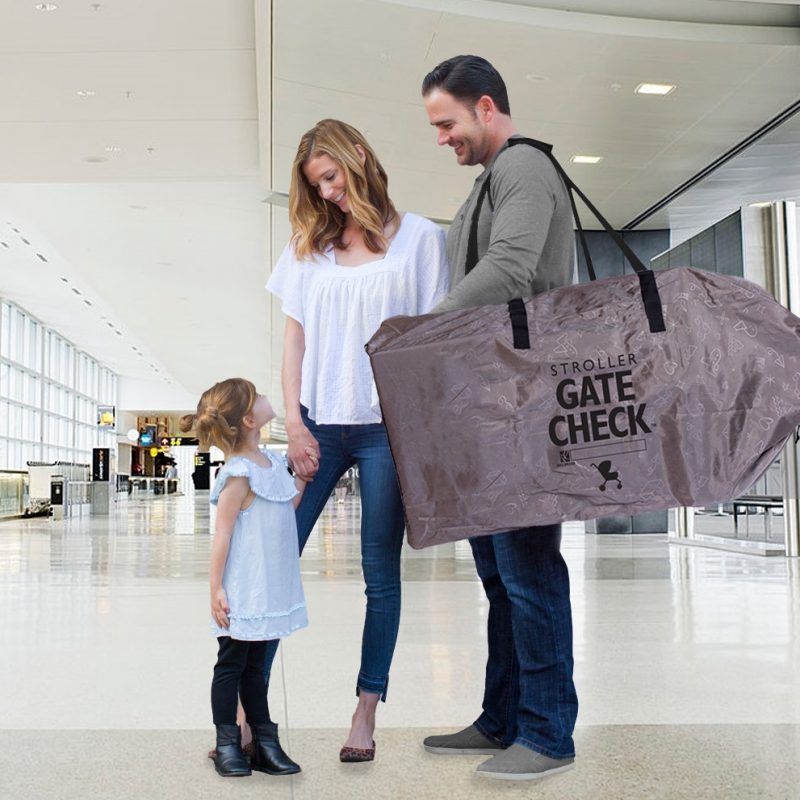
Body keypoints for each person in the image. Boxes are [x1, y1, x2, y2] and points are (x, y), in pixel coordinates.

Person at [266, 118, 450, 761]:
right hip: (317, 425)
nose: (328, 194)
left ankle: (365, 712)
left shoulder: (423, 239)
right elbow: (293, 341)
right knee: (271, 557)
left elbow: (431, 341)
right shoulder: (305, 249)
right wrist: (292, 423)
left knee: (380, 573)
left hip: (386, 431)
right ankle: (246, 710)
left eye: (331, 177)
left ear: (359, 156)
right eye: (317, 186)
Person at [419, 55, 578, 781]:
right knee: (497, 573)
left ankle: (547, 735)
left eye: (446, 123)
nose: (442, 138)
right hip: (491, 402)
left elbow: (511, 267)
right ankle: (503, 717)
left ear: (487, 107)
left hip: (523, 402)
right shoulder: (489, 182)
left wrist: (426, 328)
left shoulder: (523, 169)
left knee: (528, 570)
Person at [180, 378, 312, 779]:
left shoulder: (270, 463)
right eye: (258, 396)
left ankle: (264, 743)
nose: (269, 397)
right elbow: (222, 535)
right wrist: (216, 588)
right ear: (250, 419)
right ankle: (227, 743)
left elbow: (285, 504)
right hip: (242, 589)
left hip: (269, 587)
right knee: (231, 665)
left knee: (256, 668)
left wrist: (303, 479)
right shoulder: (237, 472)